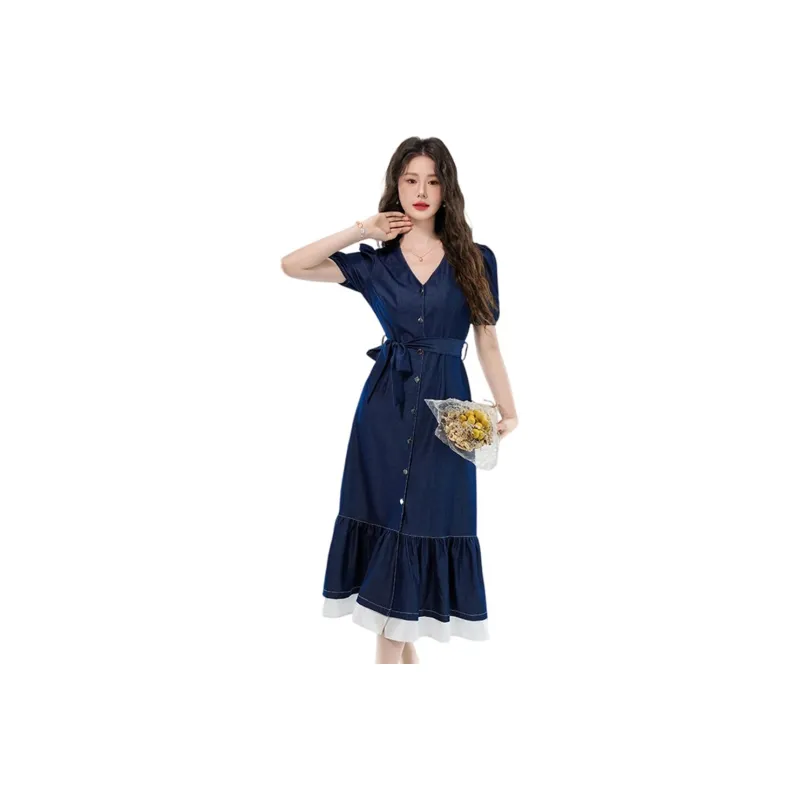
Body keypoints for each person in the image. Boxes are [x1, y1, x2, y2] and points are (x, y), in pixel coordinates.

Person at [281, 137, 518, 664]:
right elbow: (293, 265)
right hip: (383, 414)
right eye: (411, 179)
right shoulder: (377, 262)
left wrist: (509, 410)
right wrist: (361, 230)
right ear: (396, 185)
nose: (421, 190)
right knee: (390, 552)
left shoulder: (477, 259)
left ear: (447, 188)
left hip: (447, 418)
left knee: (420, 536)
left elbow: (487, 339)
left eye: (433, 180)